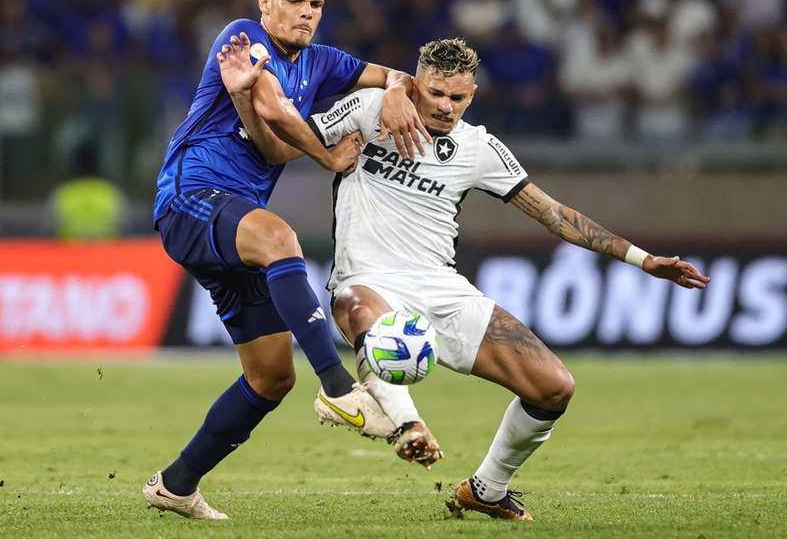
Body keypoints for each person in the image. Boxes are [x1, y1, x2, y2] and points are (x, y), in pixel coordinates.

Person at [219, 36, 711, 521]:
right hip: (366, 278)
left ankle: (487, 489)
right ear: (415, 82)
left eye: (458, 97)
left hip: (442, 286)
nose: (446, 106)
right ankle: (405, 426)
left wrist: (643, 260)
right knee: (367, 316)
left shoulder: (479, 147)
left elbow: (554, 215)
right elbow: (284, 144)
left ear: (472, 95)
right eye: (436, 93)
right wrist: (248, 96)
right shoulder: (368, 109)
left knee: (554, 387)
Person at [143, 0, 431, 520]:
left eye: (316, 4)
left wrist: (397, 90)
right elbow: (275, 108)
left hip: (237, 218)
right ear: (266, 4)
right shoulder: (242, 39)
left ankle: (176, 484)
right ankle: (340, 388)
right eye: (295, 1)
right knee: (281, 238)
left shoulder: (324, 63)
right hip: (191, 196)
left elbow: (393, 79)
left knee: (271, 375)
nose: (306, 13)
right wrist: (327, 157)